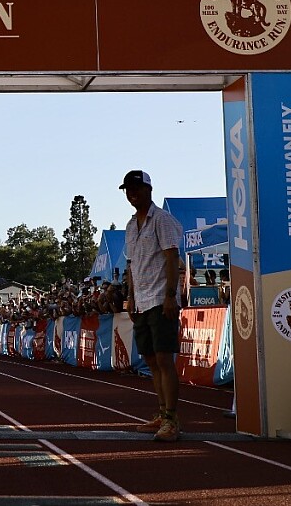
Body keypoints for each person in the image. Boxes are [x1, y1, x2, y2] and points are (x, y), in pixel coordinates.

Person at [119, 170, 184, 442]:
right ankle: (161, 412)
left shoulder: (162, 220)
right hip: (142, 301)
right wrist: (131, 297)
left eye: (136, 188)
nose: (132, 194)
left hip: (160, 298)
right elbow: (132, 265)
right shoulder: (130, 225)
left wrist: (170, 295)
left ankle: (171, 419)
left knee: (164, 359)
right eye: (128, 190)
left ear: (149, 189)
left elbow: (172, 258)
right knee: (150, 360)